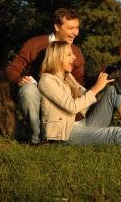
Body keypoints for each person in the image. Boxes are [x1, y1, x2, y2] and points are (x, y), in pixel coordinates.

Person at [6, 8, 85, 145]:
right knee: (28, 90)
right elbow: (12, 69)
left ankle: (57, 135)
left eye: (77, 28)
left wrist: (105, 75)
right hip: (38, 94)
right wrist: (19, 79)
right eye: (71, 28)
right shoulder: (34, 44)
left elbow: (80, 84)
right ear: (57, 27)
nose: (75, 33)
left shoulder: (76, 52)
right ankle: (36, 137)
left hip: (60, 101)